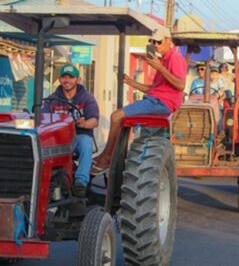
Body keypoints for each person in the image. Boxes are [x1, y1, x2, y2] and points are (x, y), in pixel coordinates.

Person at [91, 26, 187, 174]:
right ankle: (109, 155)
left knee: (116, 117)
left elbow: (181, 85)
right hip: (155, 99)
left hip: (161, 103)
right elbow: (153, 89)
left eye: (159, 42)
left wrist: (160, 68)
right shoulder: (164, 60)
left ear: (168, 40)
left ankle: (107, 158)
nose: (155, 45)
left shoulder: (175, 57)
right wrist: (131, 82)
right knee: (120, 119)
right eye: (153, 42)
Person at [42, 64, 99, 197]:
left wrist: (84, 124)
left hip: (78, 137)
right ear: (60, 79)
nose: (67, 80)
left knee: (86, 142)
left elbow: (94, 121)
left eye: (71, 77)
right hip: (58, 139)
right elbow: (43, 118)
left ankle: (80, 182)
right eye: (64, 77)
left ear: (77, 80)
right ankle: (45, 182)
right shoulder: (51, 100)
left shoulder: (86, 98)